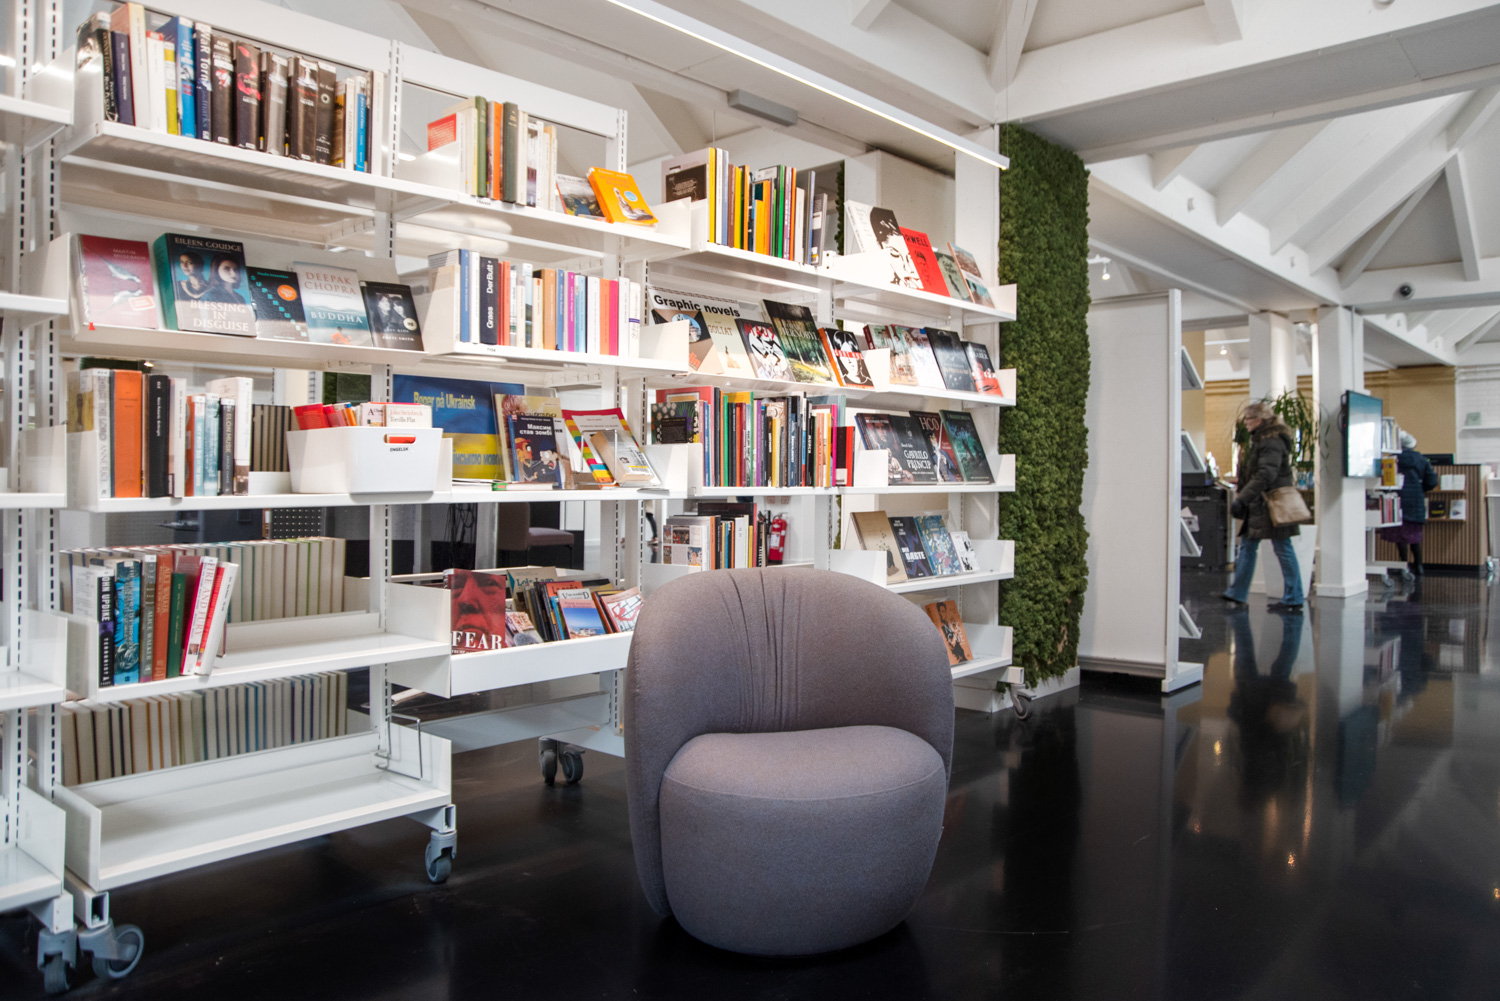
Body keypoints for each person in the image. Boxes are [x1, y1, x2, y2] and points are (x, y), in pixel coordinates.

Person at [1222, 400, 1305, 611]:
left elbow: (1266, 474)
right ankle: (1238, 592)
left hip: (1270, 504)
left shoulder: (1270, 442)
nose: (1245, 423)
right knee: (1251, 546)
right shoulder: (1264, 440)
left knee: (1280, 548)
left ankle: (1294, 596)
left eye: (1248, 419)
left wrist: (1243, 498)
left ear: (1259, 420)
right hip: (1262, 503)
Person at [1380, 430, 1438, 580]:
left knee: (1400, 534)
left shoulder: (1391, 459)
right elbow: (1432, 481)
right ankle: (1419, 565)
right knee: (1414, 535)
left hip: (1396, 498)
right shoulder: (1422, 459)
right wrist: (1420, 488)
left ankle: (1404, 565)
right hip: (1415, 500)